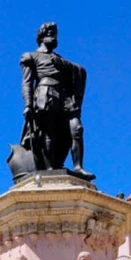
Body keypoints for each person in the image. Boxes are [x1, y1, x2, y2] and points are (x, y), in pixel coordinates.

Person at [19, 22, 93, 178]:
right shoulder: (31, 56)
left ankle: (78, 166)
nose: (54, 36)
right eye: (50, 33)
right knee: (49, 132)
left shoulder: (62, 61)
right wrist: (27, 105)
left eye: (55, 33)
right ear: (41, 36)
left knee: (76, 129)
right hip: (45, 95)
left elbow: (79, 72)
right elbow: (27, 83)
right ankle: (50, 166)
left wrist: (67, 66)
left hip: (65, 96)